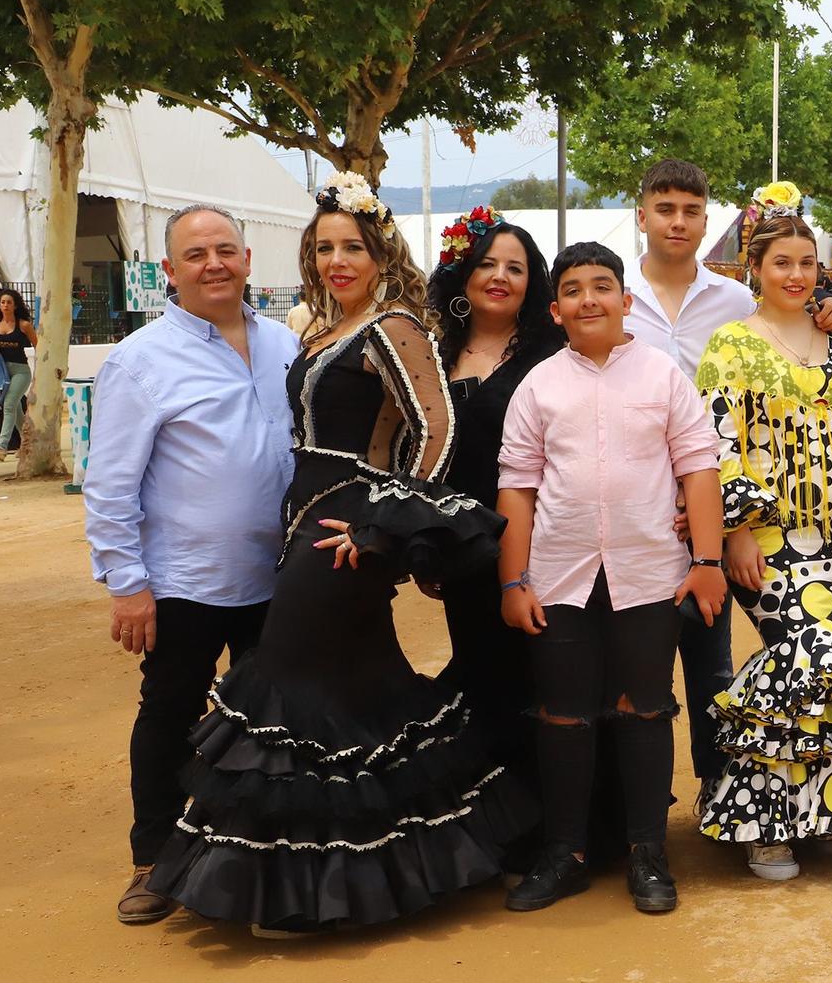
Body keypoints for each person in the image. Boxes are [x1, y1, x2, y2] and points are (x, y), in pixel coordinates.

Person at [145, 173, 528, 936]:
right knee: (364, 688)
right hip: (309, 524)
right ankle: (401, 862)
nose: (336, 261)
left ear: (381, 250)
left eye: (352, 246)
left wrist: (384, 528)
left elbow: (438, 429)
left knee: (287, 680)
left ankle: (298, 883)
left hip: (347, 534)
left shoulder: (394, 326)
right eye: (323, 248)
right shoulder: (319, 331)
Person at [82, 206, 300, 924]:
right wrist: (127, 585)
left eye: (226, 251)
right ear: (169, 272)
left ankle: (261, 854)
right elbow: (110, 484)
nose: (215, 264)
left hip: (277, 577)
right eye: (196, 254)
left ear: (246, 261)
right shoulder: (141, 360)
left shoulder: (285, 347)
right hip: (183, 583)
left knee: (271, 720)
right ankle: (153, 861)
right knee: (172, 715)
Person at [495, 242, 726, 914]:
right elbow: (517, 489)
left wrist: (707, 563)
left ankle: (648, 853)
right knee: (563, 717)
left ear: (626, 301)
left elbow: (699, 471)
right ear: (555, 308)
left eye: (602, 286)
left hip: (651, 576)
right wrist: (514, 582)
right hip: (560, 579)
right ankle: (564, 852)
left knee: (645, 712)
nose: (587, 299)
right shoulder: (538, 385)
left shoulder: (662, 377)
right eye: (572, 289)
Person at [622, 160, 832, 809]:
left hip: (714, 513)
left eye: (691, 210)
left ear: (706, 219)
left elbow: (784, 337)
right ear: (643, 215)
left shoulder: (734, 303)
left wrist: (827, 311)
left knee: (712, 666)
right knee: (639, 674)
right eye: (665, 209)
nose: (678, 222)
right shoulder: (615, 291)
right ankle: (643, 816)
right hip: (633, 513)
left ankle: (720, 797)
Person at [697, 206, 832, 881]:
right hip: (773, 538)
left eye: (807, 263)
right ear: (754, 268)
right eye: (782, 262)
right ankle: (761, 825)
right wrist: (736, 531)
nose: (797, 274)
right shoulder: (732, 345)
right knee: (807, 657)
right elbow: (717, 443)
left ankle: (826, 810)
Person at [424, 210, 564, 836]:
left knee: (545, 686)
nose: (501, 277)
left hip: (543, 547)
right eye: (488, 265)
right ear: (463, 271)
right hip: (465, 551)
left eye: (517, 267)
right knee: (483, 683)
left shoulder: (552, 354)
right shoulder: (432, 352)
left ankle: (558, 832)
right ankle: (497, 831)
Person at [0, 286, 36, 456]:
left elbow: (38, 346)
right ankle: (30, 445)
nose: (5, 305)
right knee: (17, 411)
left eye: (9, 302)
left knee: (9, 404)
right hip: (3, 374)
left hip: (21, 372)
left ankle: (1, 446)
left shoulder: (24, 325)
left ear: (15, 306)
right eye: (3, 302)